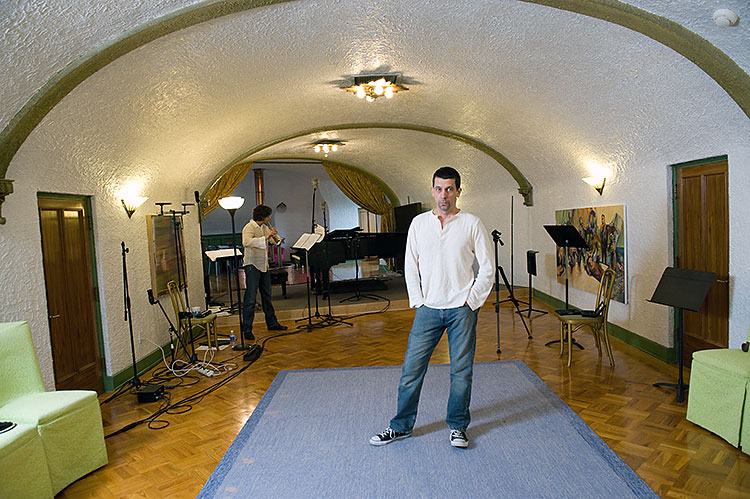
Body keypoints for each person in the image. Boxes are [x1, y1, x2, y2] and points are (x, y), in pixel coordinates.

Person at [369, 166, 493, 449]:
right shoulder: (419, 223)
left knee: (461, 372)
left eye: (449, 189)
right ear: (432, 190)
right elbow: (409, 264)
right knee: (411, 370)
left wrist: (471, 302)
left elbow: (487, 268)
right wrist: (418, 300)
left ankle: (458, 427)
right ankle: (400, 427)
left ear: (458, 191)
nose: (443, 195)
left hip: (462, 309)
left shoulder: (472, 223)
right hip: (428, 309)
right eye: (439, 189)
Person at [241, 204, 288, 341]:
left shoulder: (264, 227)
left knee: (267, 295)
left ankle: (272, 323)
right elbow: (246, 242)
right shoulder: (249, 227)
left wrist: (274, 236)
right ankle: (247, 329)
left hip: (263, 265)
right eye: (269, 215)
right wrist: (266, 237)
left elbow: (274, 242)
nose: (270, 218)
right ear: (263, 216)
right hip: (252, 264)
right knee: (250, 298)